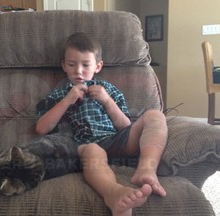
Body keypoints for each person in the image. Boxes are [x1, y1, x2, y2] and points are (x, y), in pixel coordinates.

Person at [36, 32, 167, 216]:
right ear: (64, 65)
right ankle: (113, 193)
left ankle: (146, 169)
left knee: (155, 115)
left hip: (115, 139)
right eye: (72, 65)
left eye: (85, 65)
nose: (78, 71)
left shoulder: (109, 90)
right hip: (83, 145)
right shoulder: (58, 95)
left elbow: (125, 125)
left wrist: (107, 101)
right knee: (93, 151)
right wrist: (67, 100)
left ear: (98, 66)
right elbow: (42, 128)